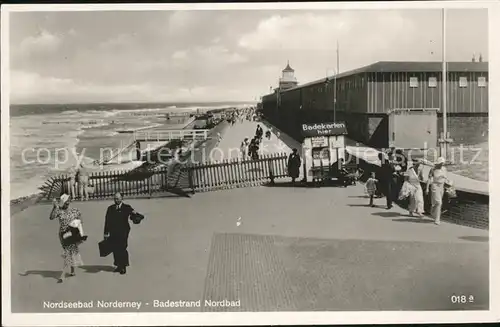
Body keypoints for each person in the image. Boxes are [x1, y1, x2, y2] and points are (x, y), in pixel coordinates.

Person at [50, 194, 87, 283]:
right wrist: (54, 207)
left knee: (68, 253)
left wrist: (78, 227)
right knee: (70, 252)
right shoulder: (59, 211)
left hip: (72, 234)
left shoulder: (74, 211)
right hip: (63, 235)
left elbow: (81, 219)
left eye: (68, 201)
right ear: (63, 202)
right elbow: (51, 217)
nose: (67, 203)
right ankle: (72, 271)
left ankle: (63, 275)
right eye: (66, 202)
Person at [103, 192, 138, 274]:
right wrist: (106, 232)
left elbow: (134, 215)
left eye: (118, 198)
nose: (116, 200)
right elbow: (107, 221)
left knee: (122, 247)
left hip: (123, 231)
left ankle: (123, 266)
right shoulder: (110, 208)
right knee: (115, 248)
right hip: (113, 231)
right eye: (115, 198)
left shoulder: (127, 207)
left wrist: (136, 215)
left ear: (122, 198)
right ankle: (118, 265)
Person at [425, 157, 449, 225]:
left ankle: (432, 210)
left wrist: (448, 183)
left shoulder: (444, 169)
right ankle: (437, 219)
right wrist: (427, 188)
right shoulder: (433, 169)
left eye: (442, 163)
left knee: (437, 203)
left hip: (442, 186)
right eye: (441, 163)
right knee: (439, 202)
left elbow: (445, 178)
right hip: (435, 186)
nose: (442, 164)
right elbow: (429, 179)